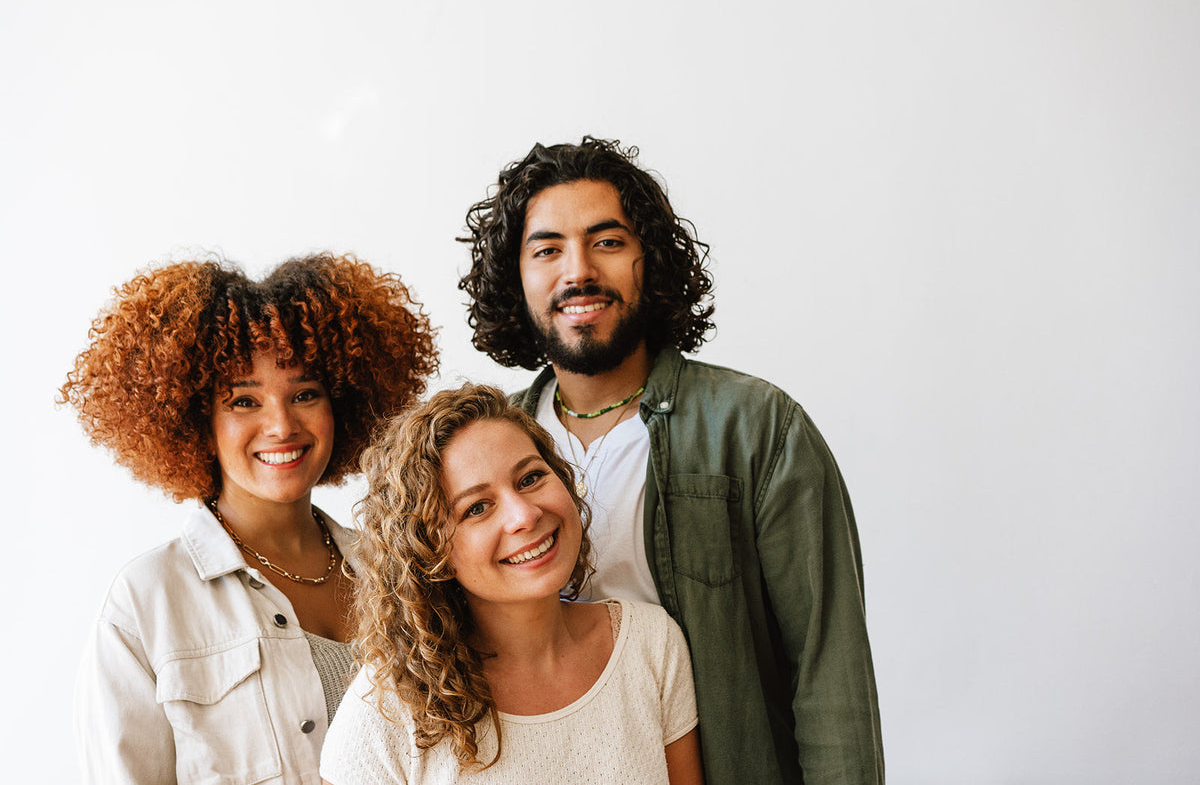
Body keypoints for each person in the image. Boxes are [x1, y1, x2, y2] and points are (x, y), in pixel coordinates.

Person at [457, 137, 885, 784]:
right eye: (547, 249)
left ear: (648, 261)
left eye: (607, 241)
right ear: (514, 277)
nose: (578, 272)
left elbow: (830, 670)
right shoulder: (489, 446)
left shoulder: (757, 427)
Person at [62, 253, 438, 783]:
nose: (281, 425)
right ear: (197, 420)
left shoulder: (402, 570)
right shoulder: (148, 603)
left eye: (305, 394)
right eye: (243, 401)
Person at [320, 383, 704, 784]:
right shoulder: (390, 707)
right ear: (431, 553)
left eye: (530, 478)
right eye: (477, 508)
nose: (524, 514)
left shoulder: (650, 644)